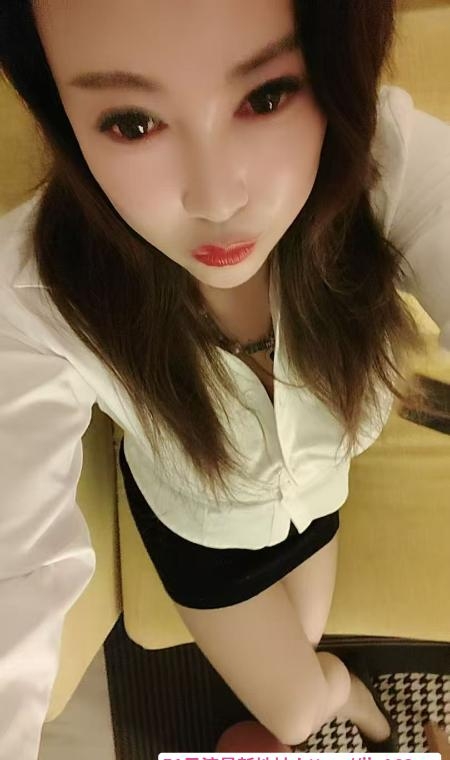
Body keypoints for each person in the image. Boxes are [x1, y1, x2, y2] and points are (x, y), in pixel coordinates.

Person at [0, 1, 449, 758]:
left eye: (267, 96)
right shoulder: (34, 294)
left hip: (317, 501)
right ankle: (352, 703)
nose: (217, 199)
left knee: (301, 646)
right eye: (131, 122)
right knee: (297, 714)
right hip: (203, 537)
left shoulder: (381, 167)